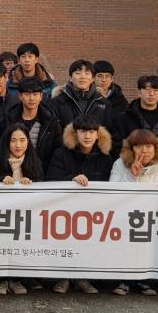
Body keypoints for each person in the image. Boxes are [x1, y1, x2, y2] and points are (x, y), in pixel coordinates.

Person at [45, 114, 113, 295]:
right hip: (64, 211)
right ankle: (63, 278)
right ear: (75, 133)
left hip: (93, 212)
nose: (87, 136)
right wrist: (71, 179)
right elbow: (51, 180)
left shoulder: (105, 158)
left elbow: (110, 185)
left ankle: (84, 279)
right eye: (83, 131)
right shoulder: (61, 153)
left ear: (98, 135)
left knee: (90, 244)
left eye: (91, 132)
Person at [108, 128, 158, 296]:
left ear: (155, 147)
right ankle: (124, 280)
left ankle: (146, 281)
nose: (144, 150)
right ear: (132, 149)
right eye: (139, 146)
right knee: (127, 247)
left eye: (148, 146)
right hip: (127, 216)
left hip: (154, 217)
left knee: (150, 249)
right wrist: (132, 176)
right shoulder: (120, 164)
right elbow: (112, 189)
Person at [0, 123, 43, 295]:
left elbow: (43, 187)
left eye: (22, 140)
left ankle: (16, 280)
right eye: (13, 140)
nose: (18, 145)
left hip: (24, 218)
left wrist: (30, 182)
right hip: (0, 217)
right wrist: (0, 180)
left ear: (28, 142)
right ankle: (0, 280)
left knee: (20, 245)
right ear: (7, 142)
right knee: (0, 245)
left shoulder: (34, 161)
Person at [6, 77, 62, 173]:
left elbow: (58, 150)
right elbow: (1, 148)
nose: (31, 98)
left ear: (41, 96)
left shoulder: (50, 121)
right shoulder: (9, 119)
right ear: (20, 96)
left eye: (35, 94)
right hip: (14, 173)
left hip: (43, 174)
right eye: (27, 94)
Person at [112, 75, 158, 155]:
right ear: (139, 93)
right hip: (133, 161)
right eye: (147, 90)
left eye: (156, 90)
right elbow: (117, 147)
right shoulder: (123, 119)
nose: (151, 94)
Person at [50, 59, 110, 129]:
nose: (82, 77)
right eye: (78, 73)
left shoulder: (103, 102)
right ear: (70, 78)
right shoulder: (57, 102)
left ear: (92, 79)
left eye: (87, 73)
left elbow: (108, 130)